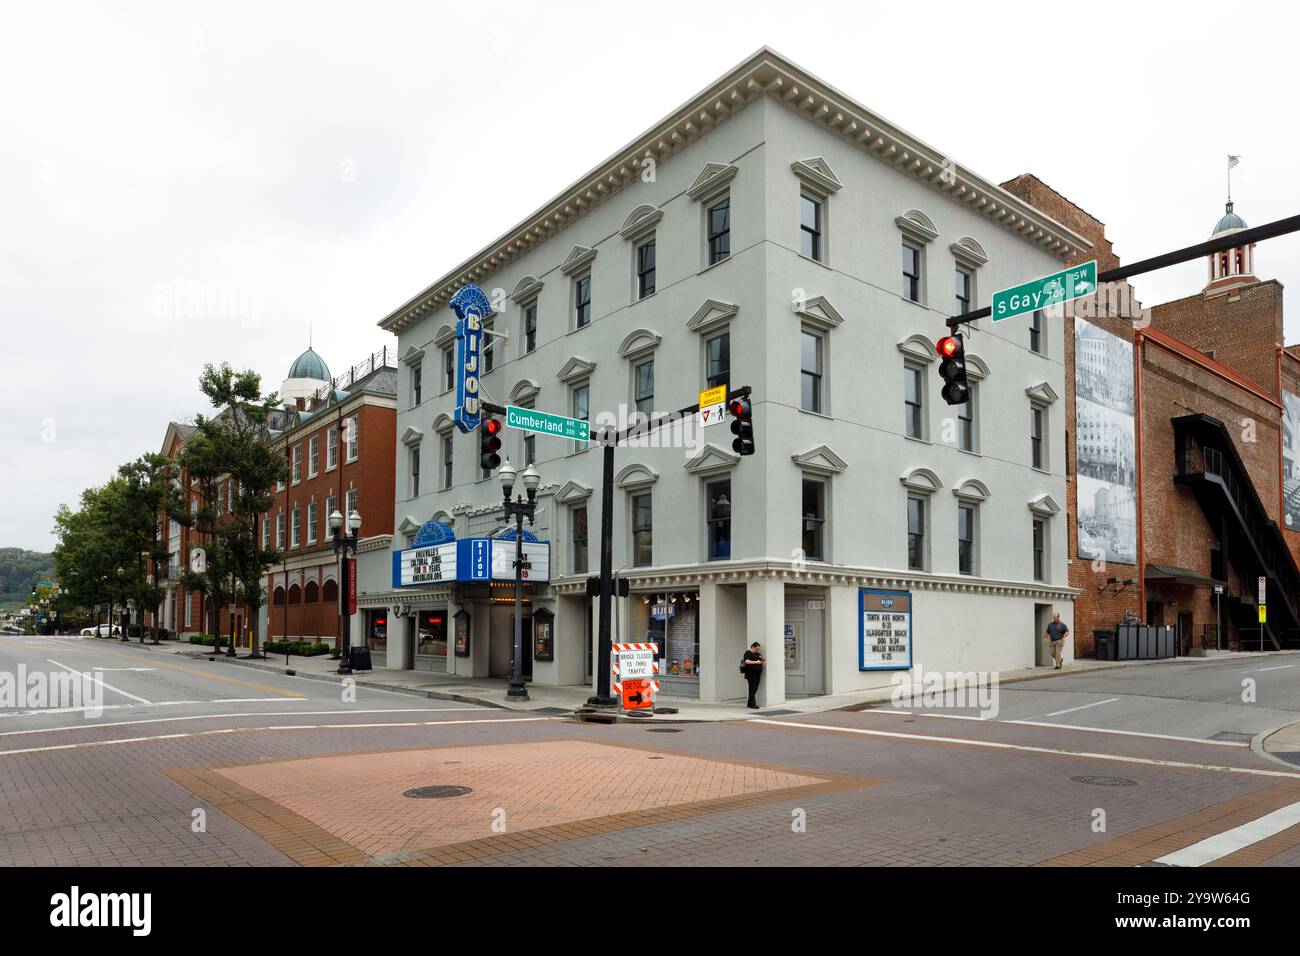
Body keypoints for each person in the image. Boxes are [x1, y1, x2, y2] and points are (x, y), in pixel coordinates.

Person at [742, 641, 765, 709]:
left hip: (758, 674)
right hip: (751, 674)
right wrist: (756, 662)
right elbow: (747, 661)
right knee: (752, 689)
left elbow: (761, 661)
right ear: (753, 647)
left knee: (755, 689)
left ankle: (749, 703)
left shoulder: (758, 654)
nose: (757, 650)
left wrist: (762, 661)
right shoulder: (748, 653)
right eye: (757, 649)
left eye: (758, 649)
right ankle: (753, 704)